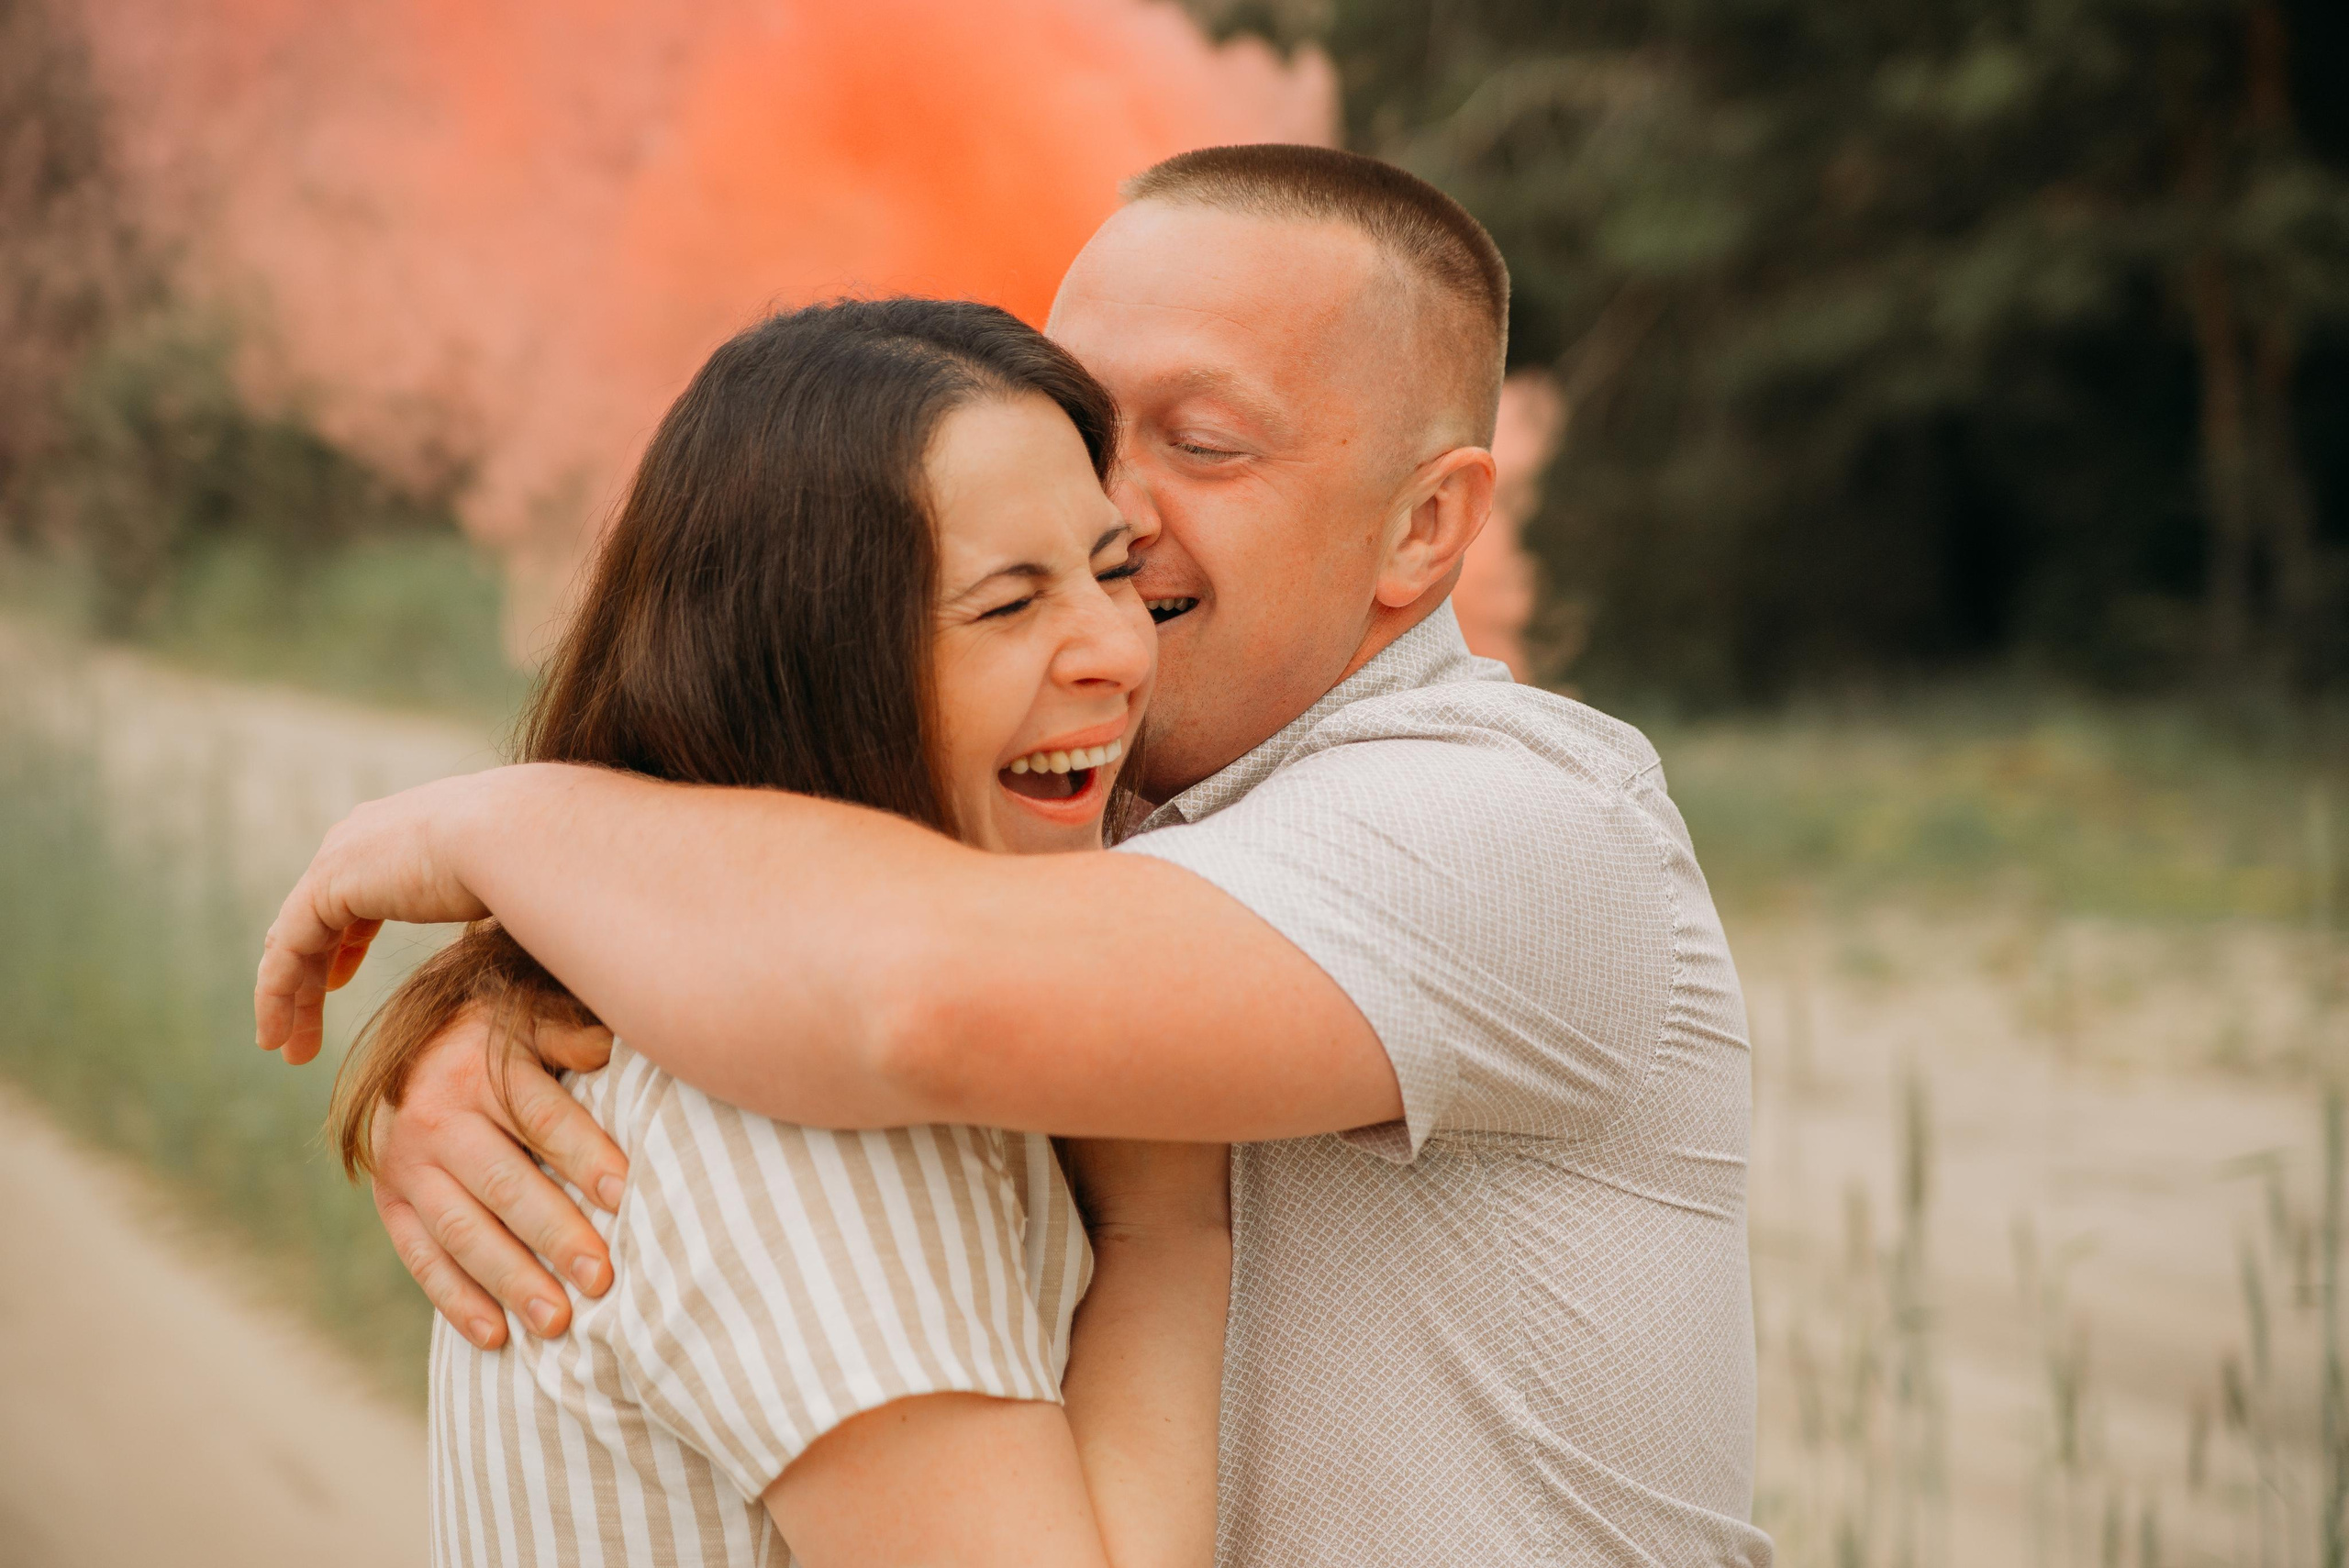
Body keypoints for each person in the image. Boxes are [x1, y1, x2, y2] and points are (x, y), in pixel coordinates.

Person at [261, 144, 1771, 1566]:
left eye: (1203, 441)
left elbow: (912, 990)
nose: (1111, 501)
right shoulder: (1052, 824)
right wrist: (507, 1009)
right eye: (1086, 428)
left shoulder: (1514, 825)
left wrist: (495, 833)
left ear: (1424, 527)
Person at [325, 298, 1230, 1568]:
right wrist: (1166, 1222)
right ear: (808, 670)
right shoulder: (798, 1118)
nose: (1116, 650)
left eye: (1111, 569)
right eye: (1008, 604)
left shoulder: (772, 1003)